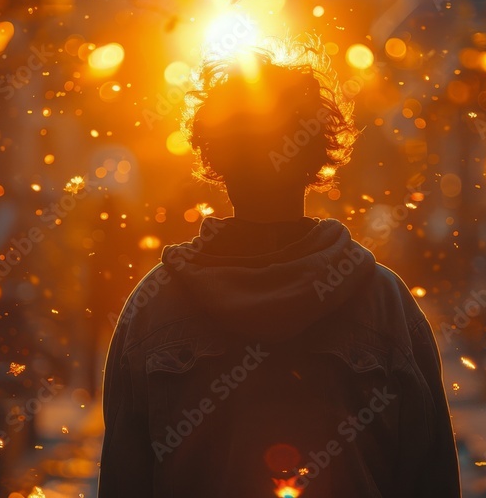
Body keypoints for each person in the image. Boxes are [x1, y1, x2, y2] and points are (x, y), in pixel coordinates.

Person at [98, 39, 460, 497]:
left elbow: (122, 483)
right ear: (315, 160)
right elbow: (432, 480)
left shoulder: (153, 309)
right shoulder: (385, 305)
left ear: (215, 158)